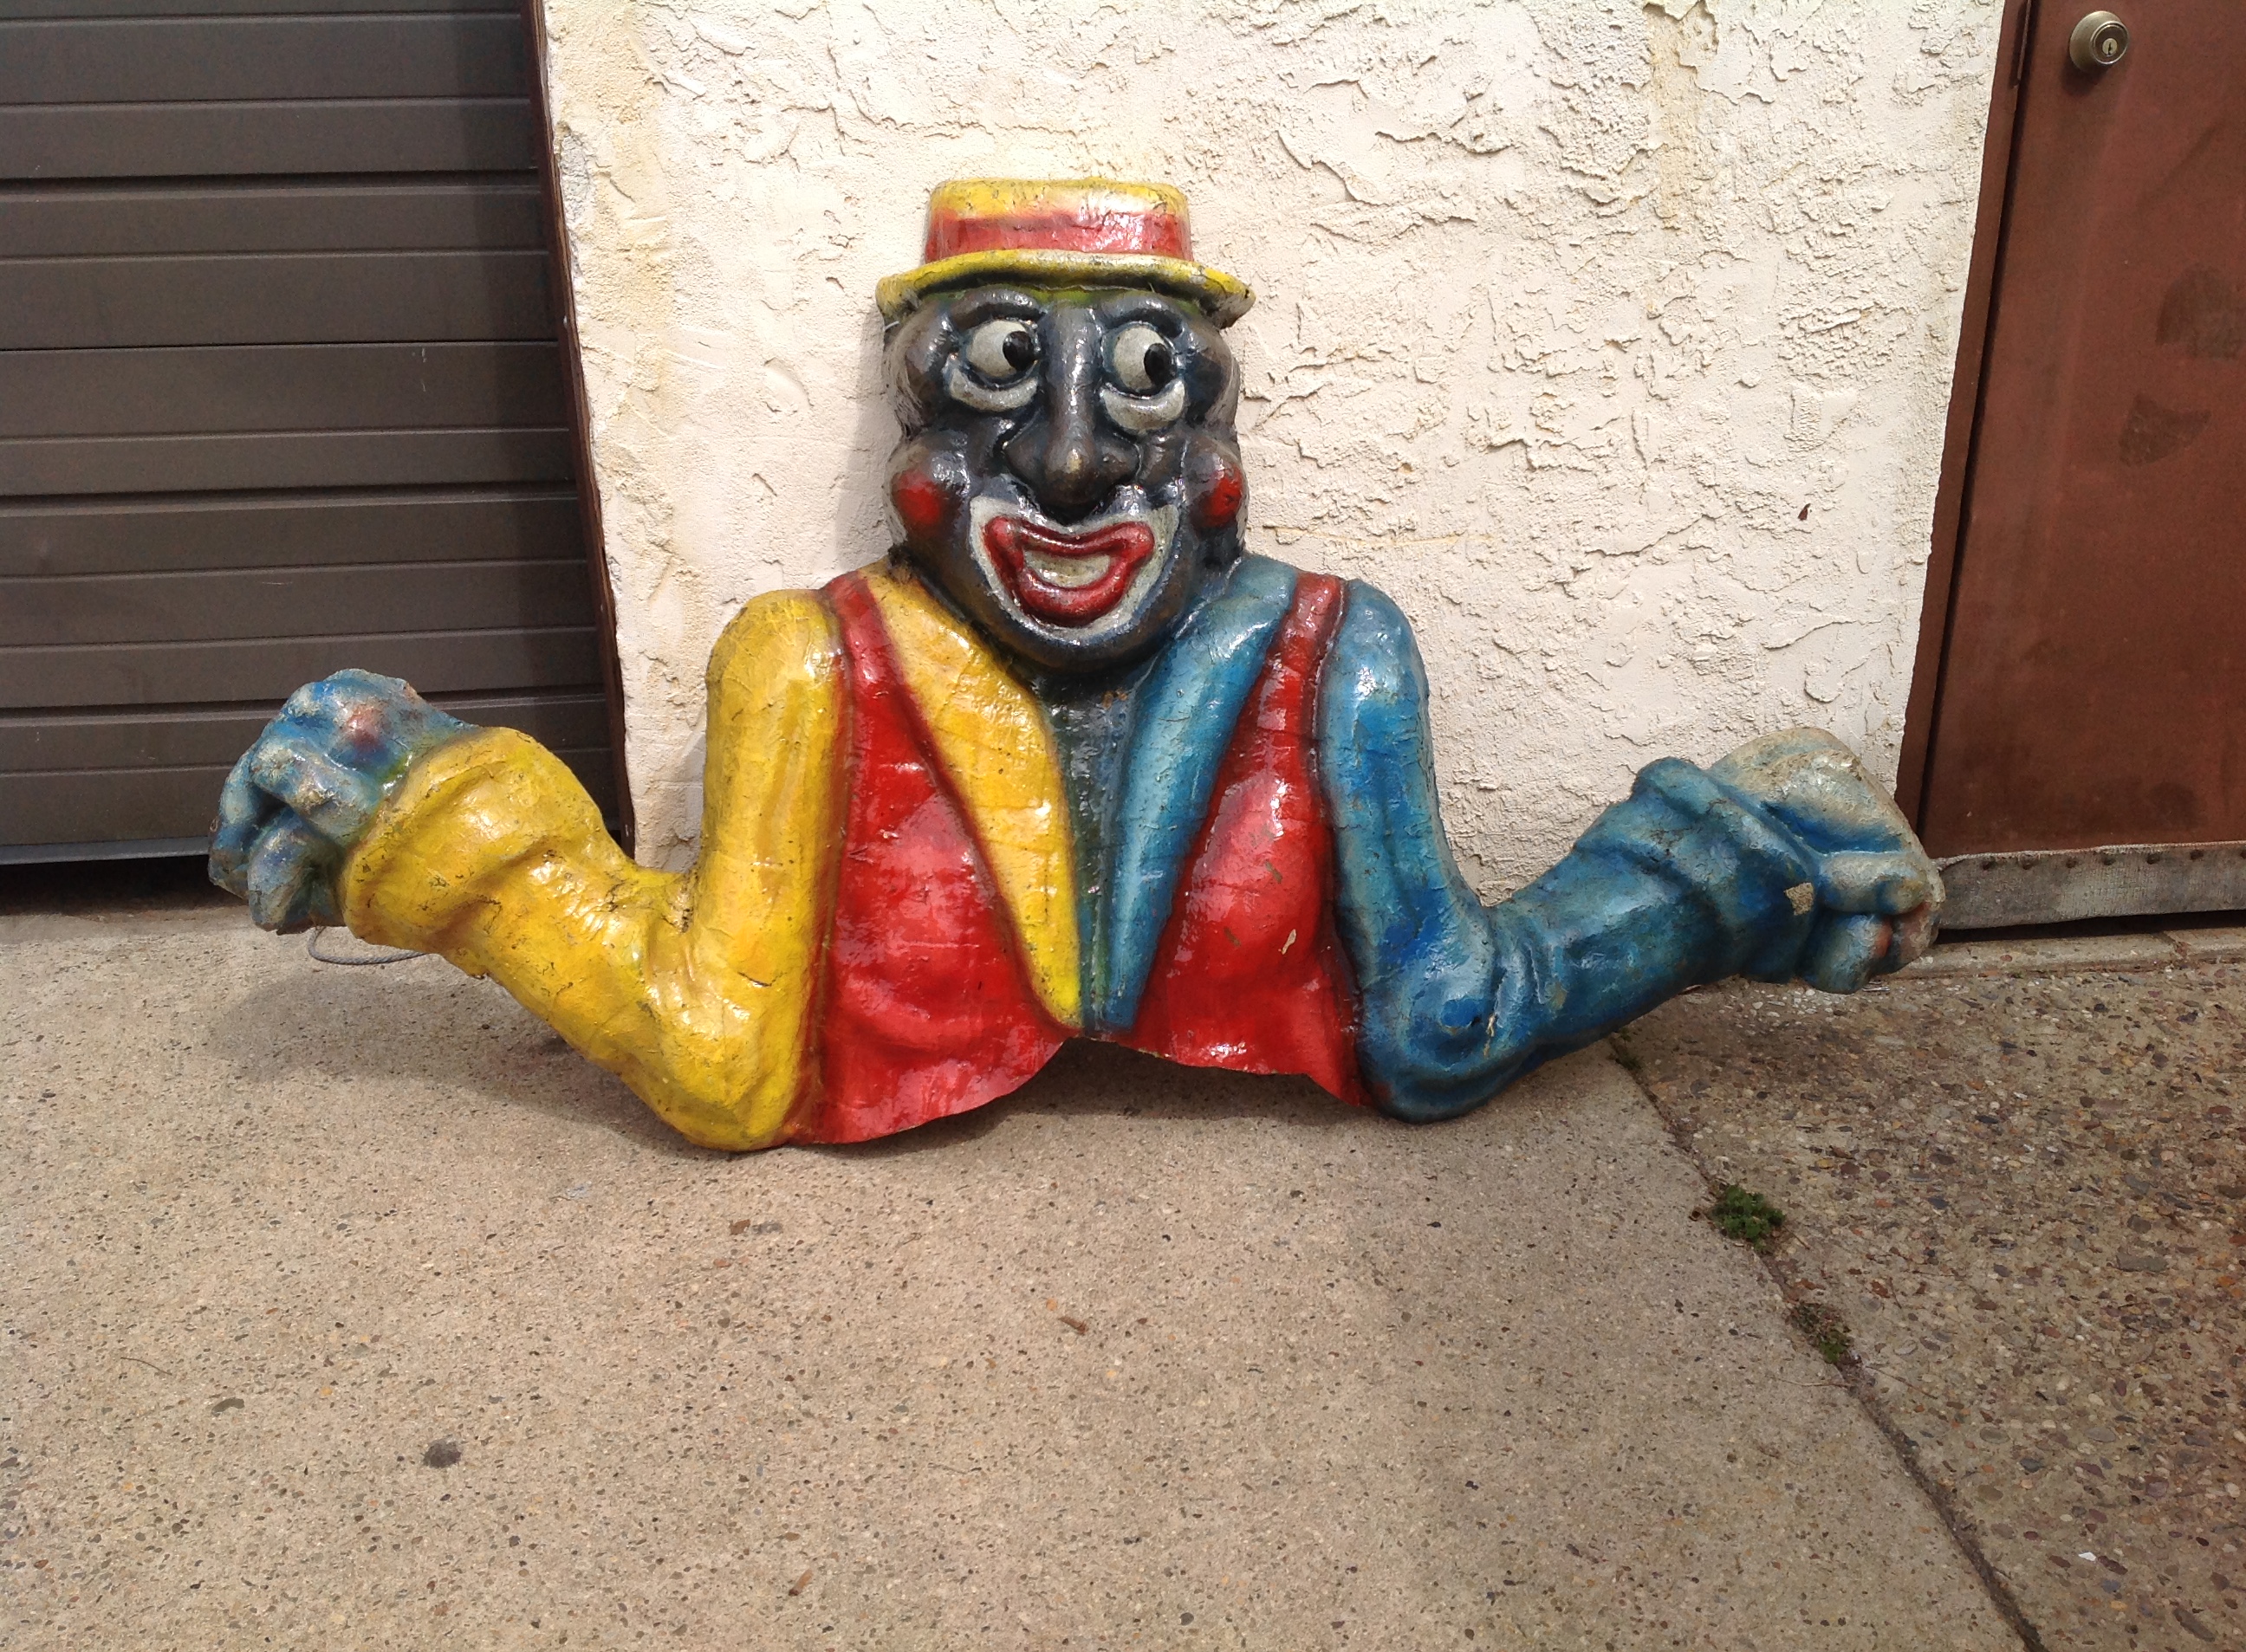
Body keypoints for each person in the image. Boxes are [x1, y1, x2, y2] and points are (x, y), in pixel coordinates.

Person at [211, 178, 1940, 1151]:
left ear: (1219, 441)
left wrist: (1727, 879)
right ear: (912, 430)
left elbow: (1444, 1017)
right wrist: (447, 828)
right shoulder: (811, 663)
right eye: (993, 377)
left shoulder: (1330, 657)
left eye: (1145, 383)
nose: (1063, 465)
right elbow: (721, 1051)